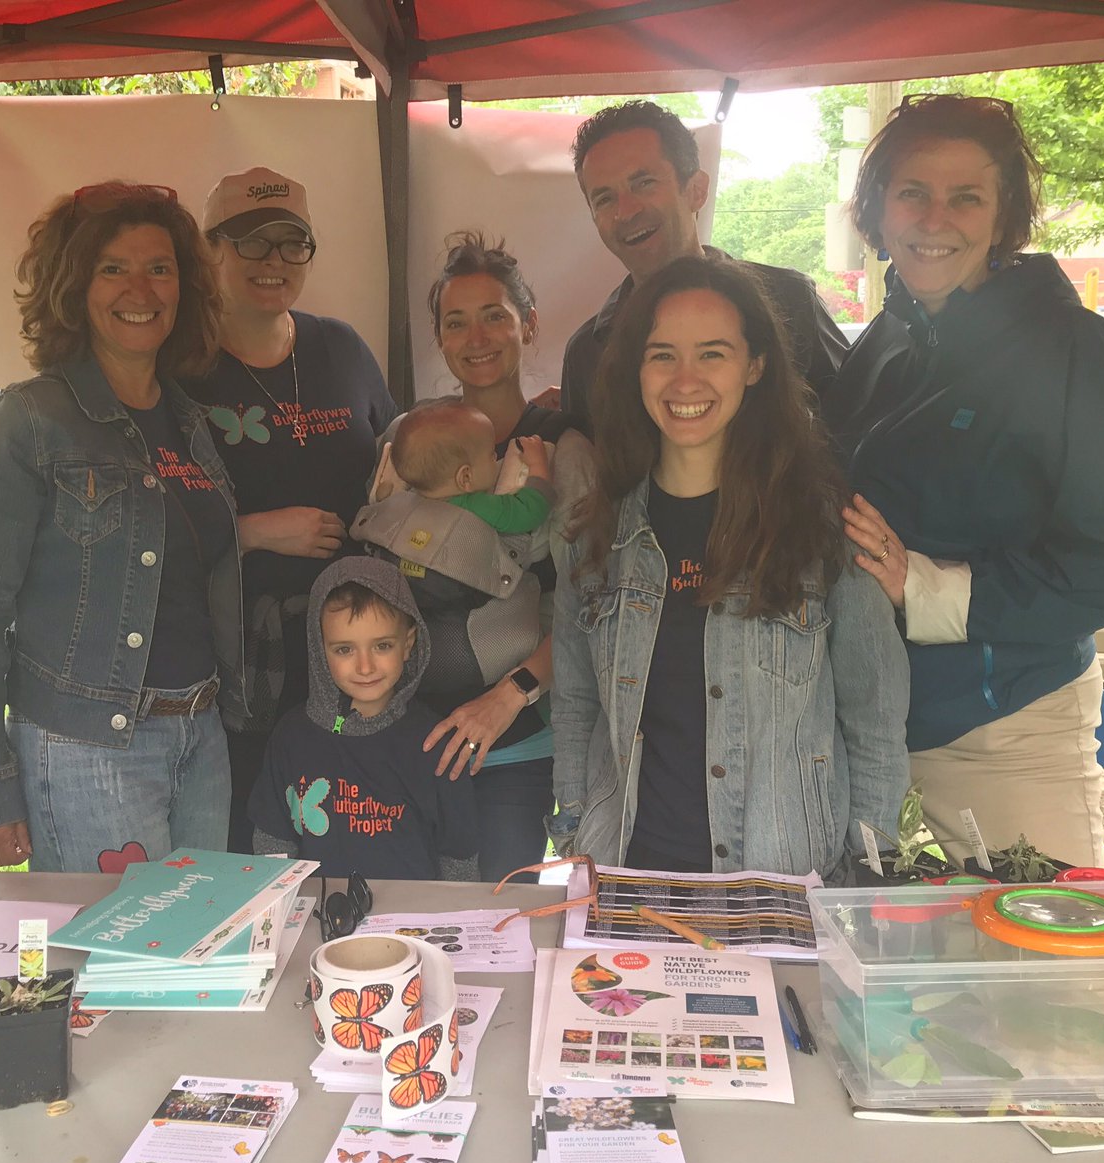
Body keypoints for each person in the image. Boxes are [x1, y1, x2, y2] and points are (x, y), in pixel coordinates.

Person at [829, 93, 1104, 867]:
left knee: (1041, 978)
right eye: (913, 192)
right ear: (878, 211)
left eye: (965, 197)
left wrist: (930, 591)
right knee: (884, 982)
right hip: (870, 731)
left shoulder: (1072, 349)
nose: (935, 218)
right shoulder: (888, 339)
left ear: (1004, 218)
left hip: (1007, 734)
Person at [551, 255, 909, 876]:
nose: (685, 381)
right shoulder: (593, 536)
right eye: (662, 354)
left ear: (755, 366)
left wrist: (869, 875)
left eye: (712, 353)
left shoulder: (824, 528)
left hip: (783, 882)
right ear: (635, 368)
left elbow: (874, 717)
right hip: (628, 877)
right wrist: (575, 829)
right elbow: (576, 705)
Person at [0, 181, 243, 871]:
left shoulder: (190, 422)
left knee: (199, 961)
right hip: (87, 747)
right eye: (114, 268)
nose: (140, 288)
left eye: (159, 268)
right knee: (121, 970)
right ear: (74, 286)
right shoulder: (29, 422)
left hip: (202, 734)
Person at [186, 167, 397, 853]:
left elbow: (399, 462)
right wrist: (248, 533)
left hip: (354, 659)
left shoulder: (341, 346)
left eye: (291, 243)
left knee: (356, 837)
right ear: (211, 249)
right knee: (248, 843)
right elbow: (143, 522)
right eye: (250, 243)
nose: (273, 261)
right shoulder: (179, 368)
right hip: (235, 668)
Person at [382, 231, 593, 882]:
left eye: (494, 316)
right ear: (439, 340)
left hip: (519, 733)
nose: (476, 338)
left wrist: (513, 693)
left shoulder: (565, 450)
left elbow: (592, 605)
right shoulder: (406, 439)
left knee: (504, 913)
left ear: (528, 325)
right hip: (411, 738)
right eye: (456, 322)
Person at [560, 100, 847, 437]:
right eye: (604, 199)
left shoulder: (790, 301)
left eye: (644, 183)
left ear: (696, 190)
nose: (626, 211)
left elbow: (849, 441)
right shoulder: (587, 353)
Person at [249, 557, 477, 879]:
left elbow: (459, 857)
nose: (365, 666)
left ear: (408, 644)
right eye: (344, 650)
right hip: (322, 919)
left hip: (410, 924)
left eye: (382, 645)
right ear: (319, 648)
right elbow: (273, 840)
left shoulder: (438, 741)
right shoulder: (292, 737)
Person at [390, 400, 554, 534]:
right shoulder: (475, 506)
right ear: (465, 477)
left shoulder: (407, 501)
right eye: (491, 453)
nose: (496, 457)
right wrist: (537, 463)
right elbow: (529, 512)